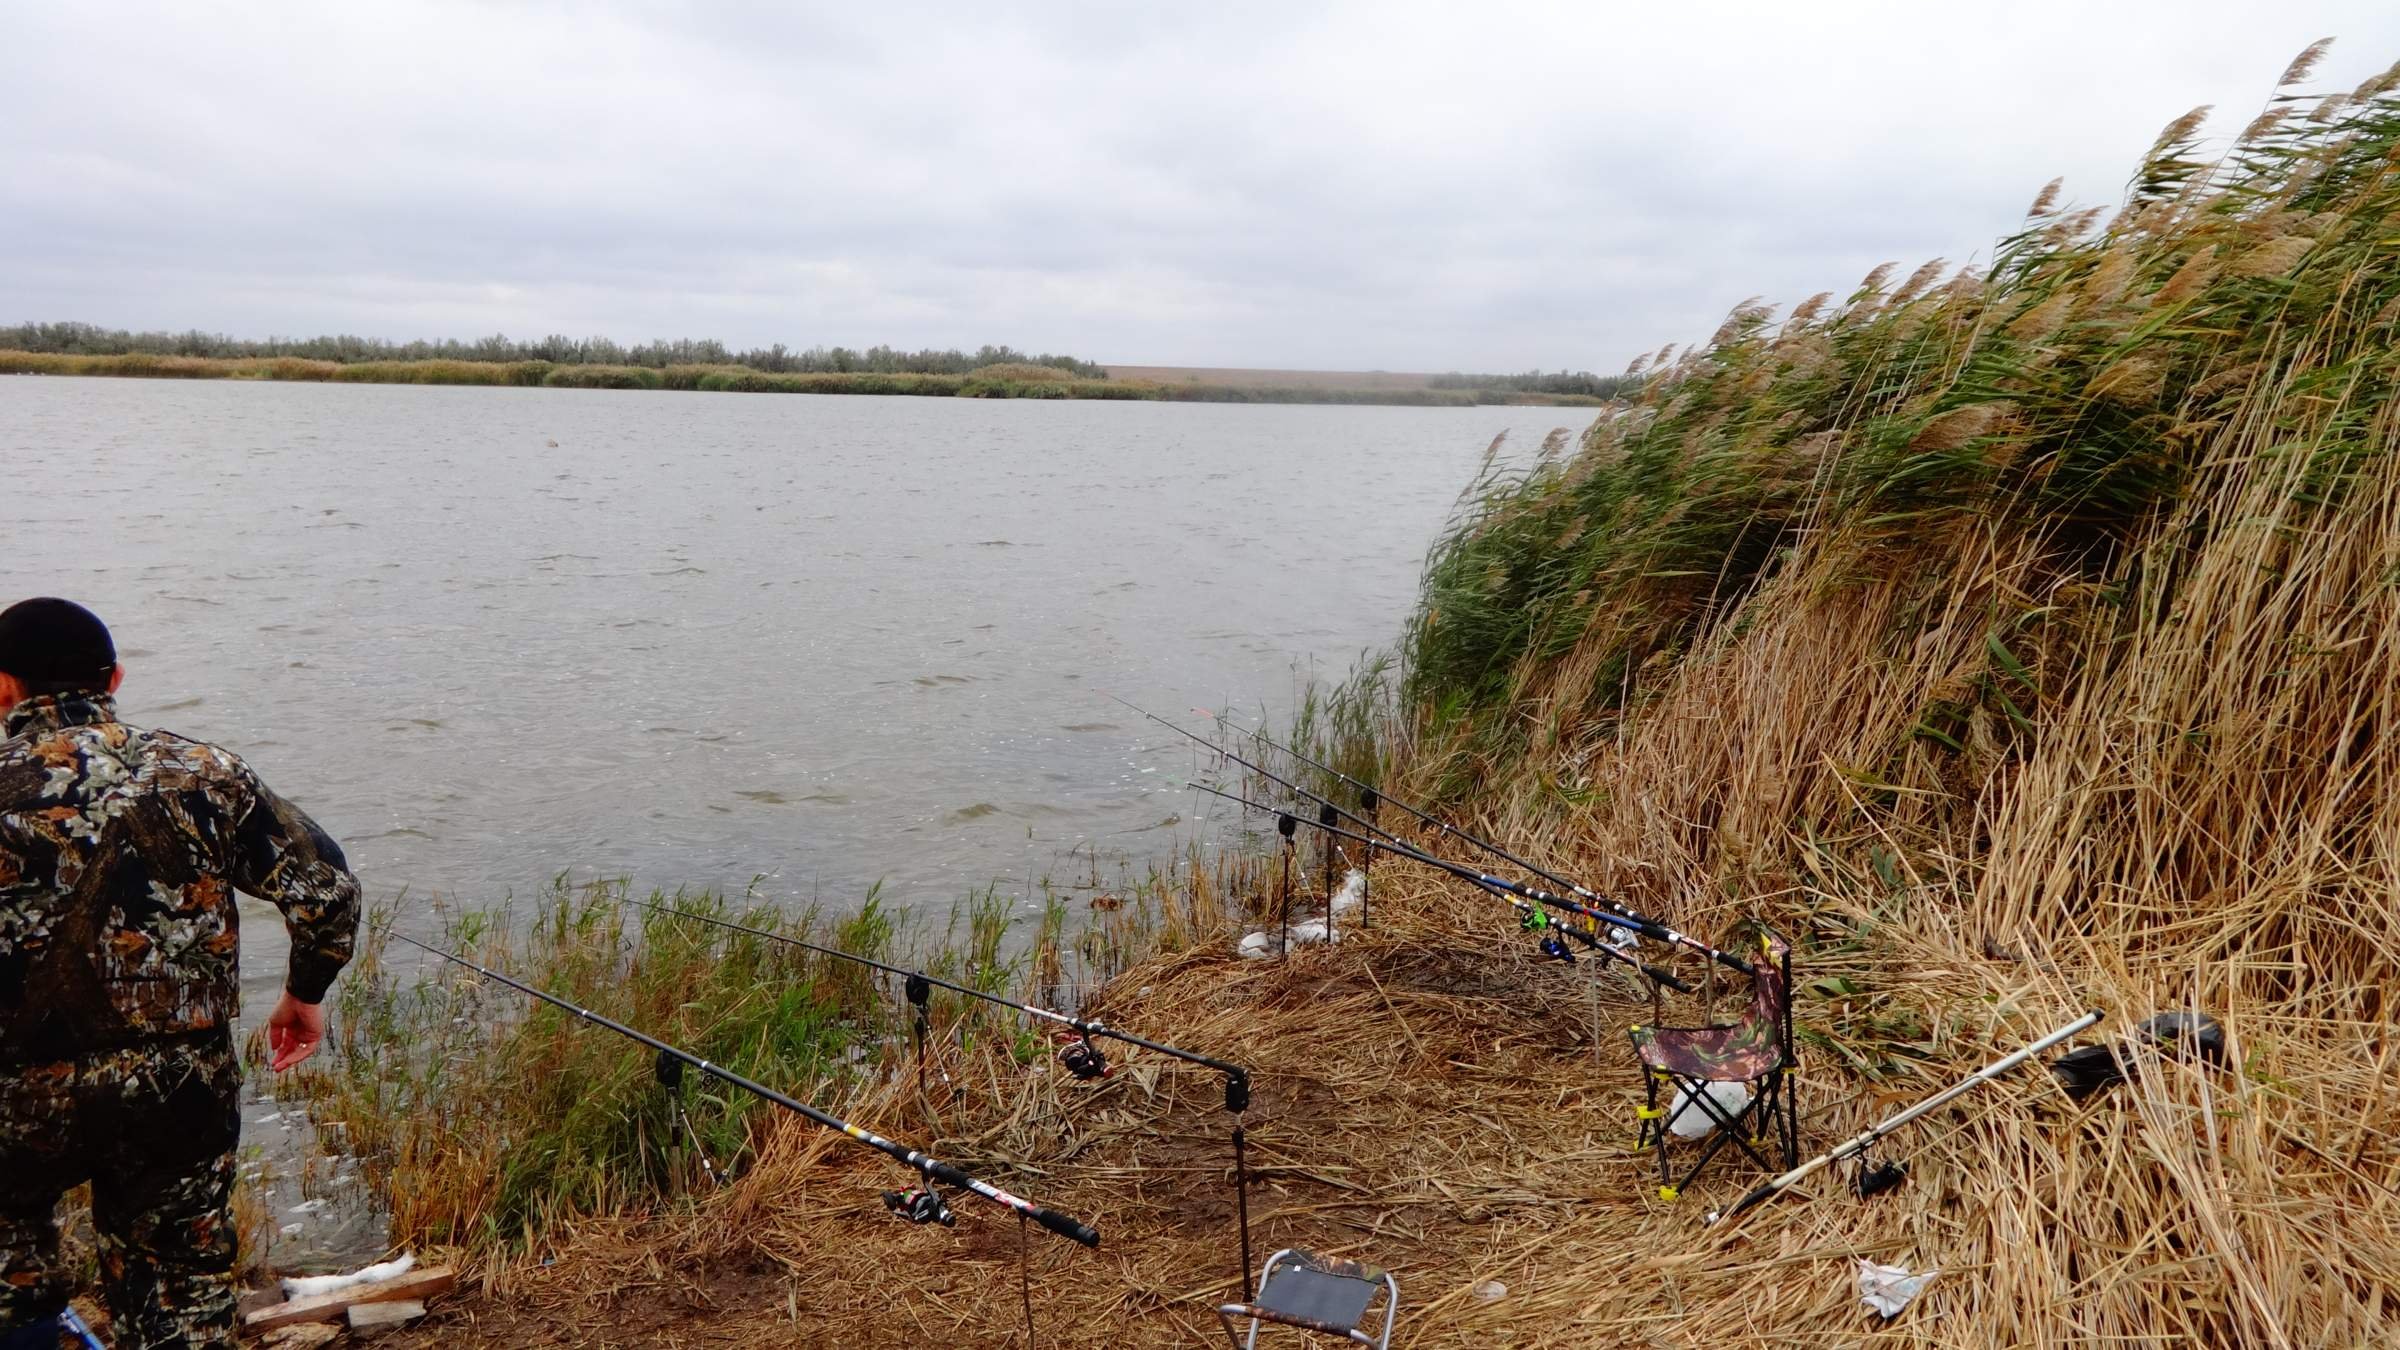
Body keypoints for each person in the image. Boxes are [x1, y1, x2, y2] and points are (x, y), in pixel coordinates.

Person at [0, 598, 361, 1350]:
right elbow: (326, 892)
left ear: (3, 690)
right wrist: (304, 993)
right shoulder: (204, 771)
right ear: (116, 678)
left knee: (11, 1287)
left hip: (15, 1091)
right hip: (176, 1089)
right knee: (179, 1299)